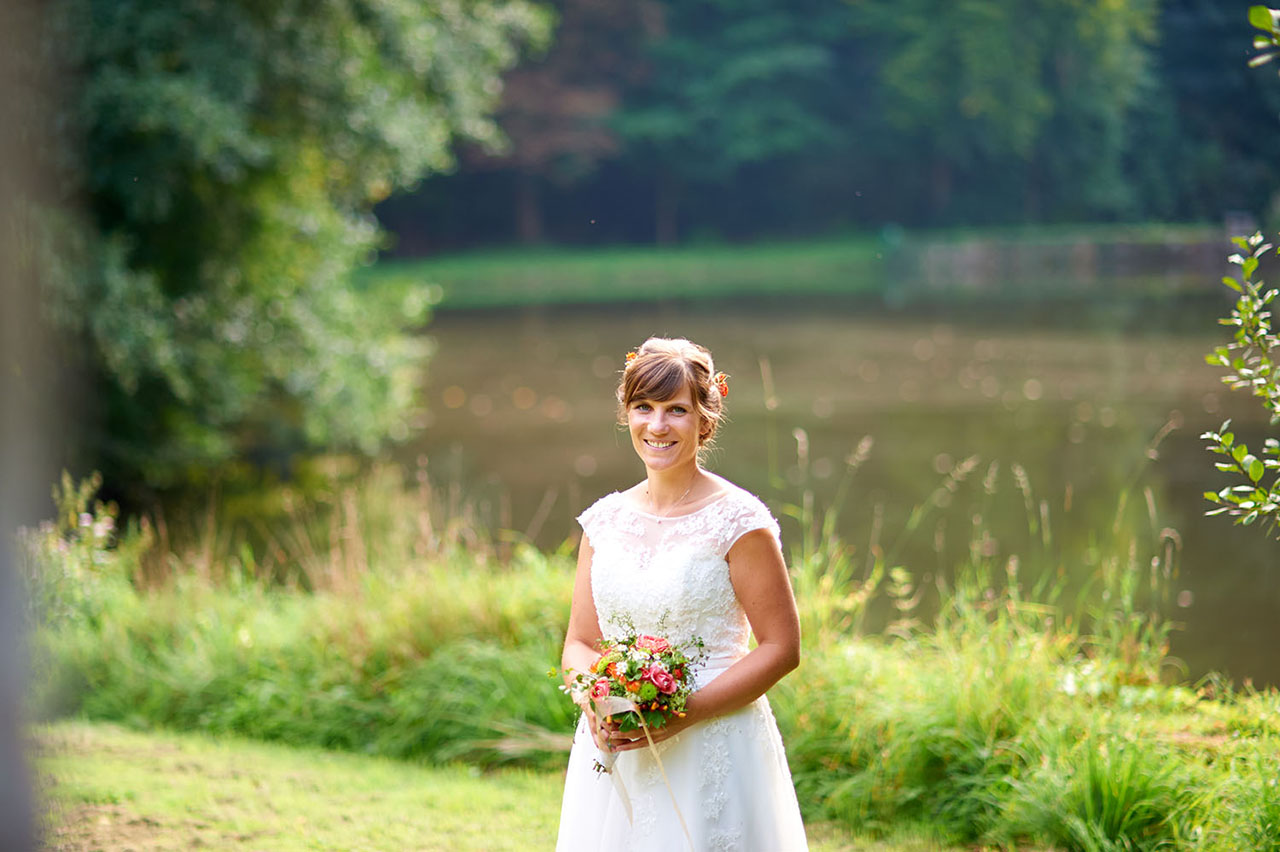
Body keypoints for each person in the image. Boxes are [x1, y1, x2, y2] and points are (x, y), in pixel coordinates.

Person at [556, 337, 808, 851]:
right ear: (626, 414)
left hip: (715, 740)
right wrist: (599, 703)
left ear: (705, 420)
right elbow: (580, 642)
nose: (657, 426)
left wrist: (685, 713)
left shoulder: (741, 522)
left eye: (677, 410)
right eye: (643, 408)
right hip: (618, 743)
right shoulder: (603, 522)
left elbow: (781, 648)